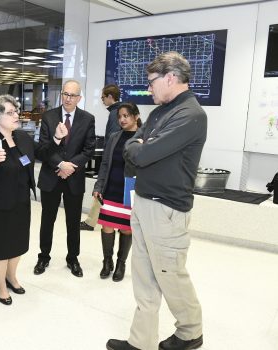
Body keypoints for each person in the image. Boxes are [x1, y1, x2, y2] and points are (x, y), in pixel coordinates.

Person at [106, 51, 206, 350]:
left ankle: (190, 332)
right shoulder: (159, 112)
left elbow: (142, 153)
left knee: (170, 275)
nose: (149, 89)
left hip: (166, 209)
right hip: (144, 201)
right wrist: (140, 145)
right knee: (144, 276)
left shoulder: (191, 115)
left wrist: (141, 146)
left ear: (171, 78)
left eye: (152, 82)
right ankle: (141, 341)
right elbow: (134, 149)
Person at [0, 95, 67, 305]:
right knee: (0, 246)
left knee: (17, 243)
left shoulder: (22, 137)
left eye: (16, 111)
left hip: (21, 201)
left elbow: (43, 152)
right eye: (10, 112)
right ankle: (1, 284)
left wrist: (57, 139)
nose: (17, 115)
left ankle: (12, 276)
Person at [34, 79, 96, 277]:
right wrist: (60, 165)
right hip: (51, 176)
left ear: (79, 98)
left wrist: (70, 167)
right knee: (47, 219)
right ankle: (43, 256)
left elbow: (88, 150)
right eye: (65, 94)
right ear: (61, 95)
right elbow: (43, 149)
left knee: (73, 221)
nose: (68, 98)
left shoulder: (87, 119)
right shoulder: (48, 117)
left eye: (73, 95)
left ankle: (73, 258)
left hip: (74, 178)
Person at [93, 102, 141, 282]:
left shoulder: (144, 137)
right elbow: (105, 163)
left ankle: (121, 263)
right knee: (107, 226)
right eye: (120, 116)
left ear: (136, 116)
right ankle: (107, 262)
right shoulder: (114, 137)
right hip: (111, 187)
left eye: (126, 116)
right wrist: (98, 186)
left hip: (130, 190)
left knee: (127, 229)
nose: (122, 119)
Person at [80, 84, 122, 231]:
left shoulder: (115, 113)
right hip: (118, 159)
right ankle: (92, 221)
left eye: (103, 97)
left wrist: (106, 157)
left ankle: (91, 222)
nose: (102, 100)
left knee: (101, 187)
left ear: (110, 97)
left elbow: (113, 138)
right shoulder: (121, 110)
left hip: (112, 159)